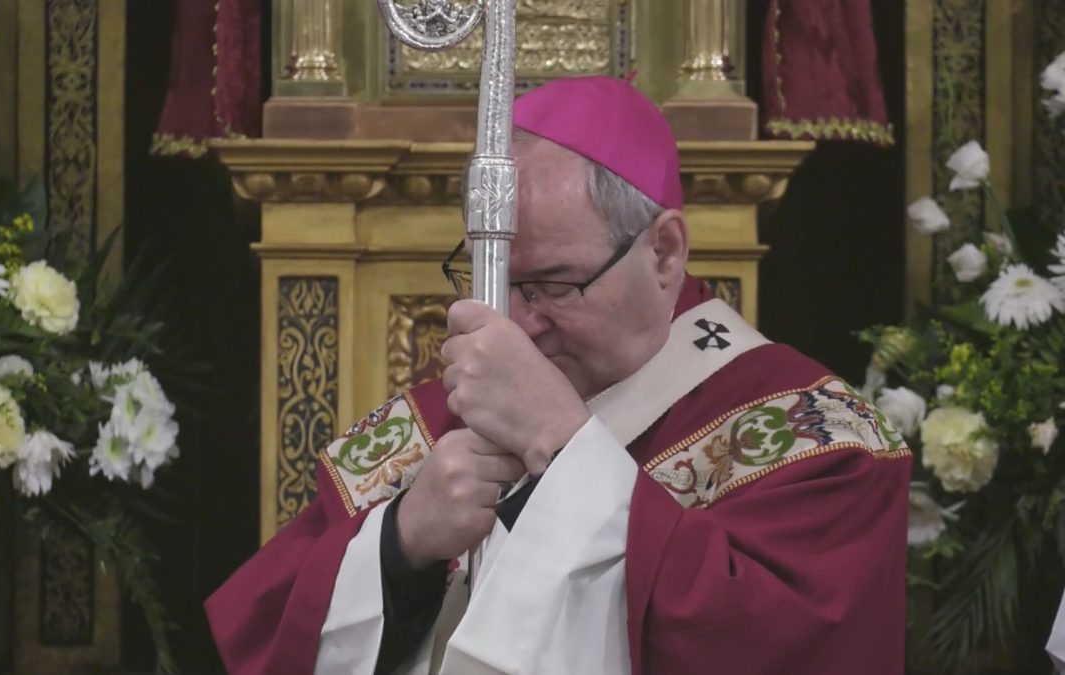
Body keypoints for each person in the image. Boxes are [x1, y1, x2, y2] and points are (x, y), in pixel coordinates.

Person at [205, 75, 911, 675]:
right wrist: (401, 541)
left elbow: (776, 643)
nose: (516, 324)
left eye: (551, 284)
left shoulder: (813, 435)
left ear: (664, 253)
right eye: (495, 284)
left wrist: (563, 443)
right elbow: (267, 624)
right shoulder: (445, 418)